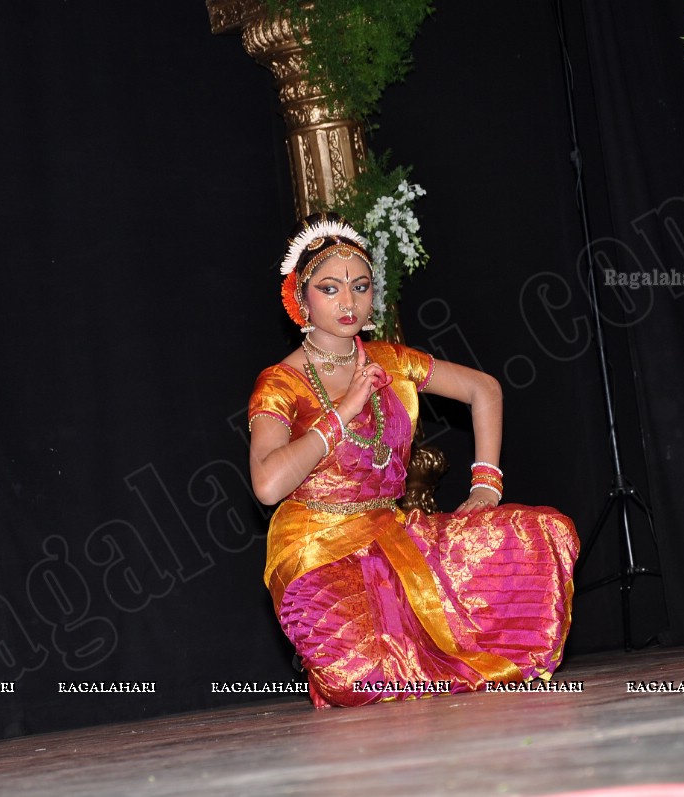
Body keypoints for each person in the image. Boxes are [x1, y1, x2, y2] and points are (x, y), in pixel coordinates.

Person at [247, 212, 579, 707]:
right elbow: (268, 487)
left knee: (545, 533)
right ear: (300, 297)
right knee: (356, 681)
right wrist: (342, 413)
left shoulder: (391, 360)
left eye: (359, 287)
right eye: (330, 288)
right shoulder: (279, 383)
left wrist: (486, 483)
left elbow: (483, 388)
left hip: (395, 535)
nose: (348, 301)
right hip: (316, 551)